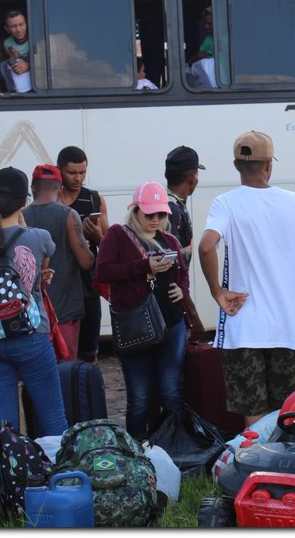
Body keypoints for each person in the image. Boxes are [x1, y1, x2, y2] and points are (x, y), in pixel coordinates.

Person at [198, 130, 295, 427]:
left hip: (243, 326)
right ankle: (282, 470)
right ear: (270, 165)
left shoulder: (225, 203)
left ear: (236, 166)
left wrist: (218, 292)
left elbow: (207, 245)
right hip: (286, 327)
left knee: (254, 415)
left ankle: (257, 466)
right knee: (285, 412)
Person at [0, 167, 67, 436]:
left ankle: (11, 475)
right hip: (30, 336)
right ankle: (60, 476)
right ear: (25, 201)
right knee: (53, 420)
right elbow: (36, 282)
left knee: (4, 426)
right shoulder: (38, 237)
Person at [95, 181, 188, 439]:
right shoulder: (118, 235)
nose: (156, 220)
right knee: (139, 397)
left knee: (171, 392)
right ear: (135, 211)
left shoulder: (168, 239)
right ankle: (135, 448)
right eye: (150, 214)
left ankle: (174, 446)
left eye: (161, 214)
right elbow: (102, 271)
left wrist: (183, 290)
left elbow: (183, 271)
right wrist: (143, 266)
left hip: (171, 322)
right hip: (135, 324)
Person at [23, 164, 94, 360]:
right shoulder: (68, 215)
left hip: (31, 311)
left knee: (36, 370)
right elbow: (85, 262)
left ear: (33, 188)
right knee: (65, 369)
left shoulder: (21, 217)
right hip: (65, 310)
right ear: (60, 188)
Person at [57, 146, 109, 363]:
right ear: (60, 171)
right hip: (59, 286)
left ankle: (87, 393)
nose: (78, 178)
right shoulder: (51, 200)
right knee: (62, 353)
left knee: (89, 353)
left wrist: (98, 237)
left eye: (82, 173)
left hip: (88, 285)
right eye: (72, 173)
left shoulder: (94, 199)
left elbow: (111, 244)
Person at [164, 145, 206, 340]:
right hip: (171, 306)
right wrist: (193, 314)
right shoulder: (175, 212)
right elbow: (174, 270)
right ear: (192, 179)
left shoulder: (160, 205)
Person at [0, 10, 32, 93]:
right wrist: (14, 58)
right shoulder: (7, 43)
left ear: (27, 24)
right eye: (13, 26)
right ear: (7, 29)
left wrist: (29, 66)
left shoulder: (37, 38)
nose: (18, 30)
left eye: (21, 24)